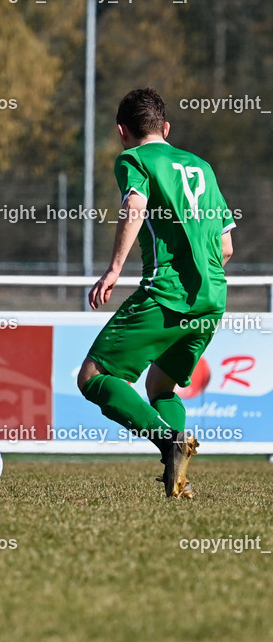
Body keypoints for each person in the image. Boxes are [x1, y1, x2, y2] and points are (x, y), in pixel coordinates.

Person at [77, 87, 235, 499]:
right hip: (212, 299)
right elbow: (226, 247)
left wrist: (113, 270)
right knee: (161, 389)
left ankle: (169, 443)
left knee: (93, 377)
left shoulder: (133, 159)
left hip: (166, 295)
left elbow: (134, 205)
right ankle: (177, 462)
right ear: (166, 127)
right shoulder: (202, 167)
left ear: (121, 131)